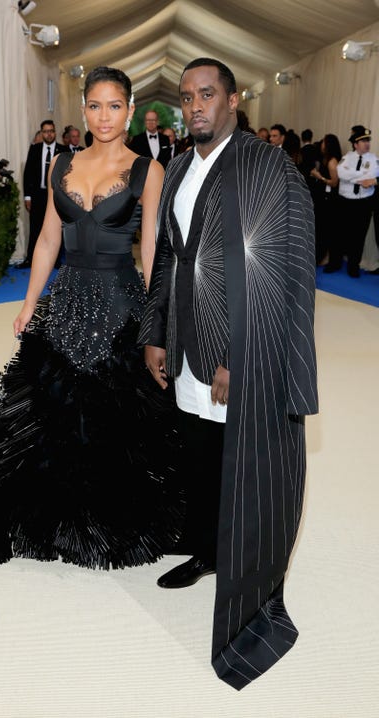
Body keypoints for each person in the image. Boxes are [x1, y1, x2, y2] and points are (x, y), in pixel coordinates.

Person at [0, 67, 183, 597]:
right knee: (48, 412)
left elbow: (152, 251)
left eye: (114, 106)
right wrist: (29, 304)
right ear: (84, 109)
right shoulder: (64, 164)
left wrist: (156, 320)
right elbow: (49, 238)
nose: (104, 116)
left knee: (110, 414)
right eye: (95, 106)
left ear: (129, 107)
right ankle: (52, 510)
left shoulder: (149, 169)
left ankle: (99, 517)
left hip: (120, 301)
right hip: (66, 297)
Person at [138, 57, 318, 690]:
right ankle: (208, 553)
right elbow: (167, 258)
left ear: (234, 99)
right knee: (199, 453)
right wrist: (156, 333)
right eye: (186, 97)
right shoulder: (181, 167)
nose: (195, 107)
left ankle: (243, 569)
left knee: (243, 463)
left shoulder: (268, 169)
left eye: (206, 95)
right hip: (185, 339)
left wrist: (241, 355)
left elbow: (281, 267)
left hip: (235, 355)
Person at [21, 119, 67, 267]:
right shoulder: (34, 149)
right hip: (37, 195)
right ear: (42, 133)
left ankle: (56, 260)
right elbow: (27, 173)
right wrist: (27, 196)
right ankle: (31, 259)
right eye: (46, 131)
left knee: (55, 228)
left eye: (51, 131)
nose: (49, 134)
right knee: (35, 227)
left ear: (55, 132)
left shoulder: (63, 151)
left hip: (56, 196)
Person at [334, 126, 379, 277]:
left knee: (358, 236)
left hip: (363, 203)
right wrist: (362, 175)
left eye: (368, 140)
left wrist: (353, 175)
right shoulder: (347, 157)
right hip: (345, 202)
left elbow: (373, 174)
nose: (367, 143)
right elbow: (341, 173)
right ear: (355, 144)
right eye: (363, 141)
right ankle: (335, 263)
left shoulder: (373, 159)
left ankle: (353, 267)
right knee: (340, 233)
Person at [310, 133, 342, 266]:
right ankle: (321, 255)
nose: (321, 144)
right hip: (323, 198)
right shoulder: (325, 159)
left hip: (329, 200)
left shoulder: (332, 162)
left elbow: (334, 183)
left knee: (325, 229)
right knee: (321, 229)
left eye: (323, 142)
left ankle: (326, 256)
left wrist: (319, 176)